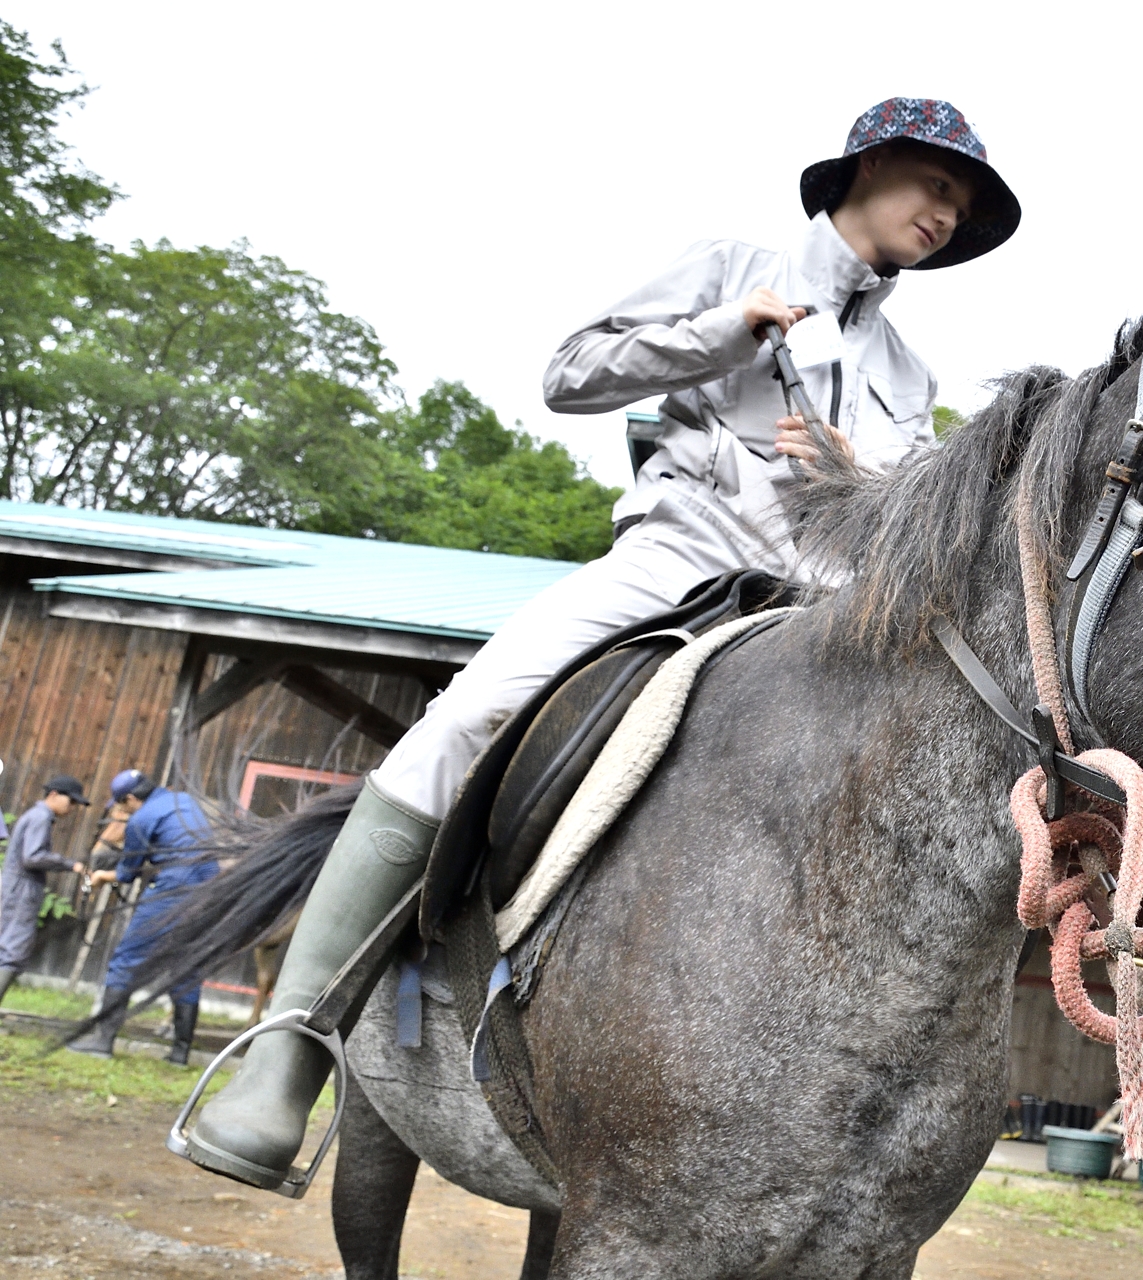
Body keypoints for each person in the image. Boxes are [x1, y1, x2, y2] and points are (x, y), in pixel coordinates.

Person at [180, 97, 1021, 1192]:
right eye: (937, 186)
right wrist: (728, 333)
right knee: (468, 714)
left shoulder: (906, 369)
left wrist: (847, 476)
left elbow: (897, 525)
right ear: (866, 172)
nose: (947, 215)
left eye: (962, 204)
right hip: (673, 567)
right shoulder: (732, 265)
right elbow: (569, 374)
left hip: (813, 614)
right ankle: (283, 1048)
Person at [66, 770, 216, 1064]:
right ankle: (180, 1053)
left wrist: (101, 877)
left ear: (132, 799)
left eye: (122, 805)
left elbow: (128, 872)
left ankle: (102, 1041)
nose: (123, 811)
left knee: (126, 961)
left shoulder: (141, 819)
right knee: (186, 969)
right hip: (210, 890)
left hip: (172, 889)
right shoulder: (183, 800)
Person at [0, 776, 91, 1005]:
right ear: (53, 795)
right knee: (13, 951)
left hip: (13, 885)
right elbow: (33, 857)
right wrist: (72, 864)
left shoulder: (35, 815)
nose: (72, 808)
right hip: (22, 888)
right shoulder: (41, 817)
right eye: (70, 801)